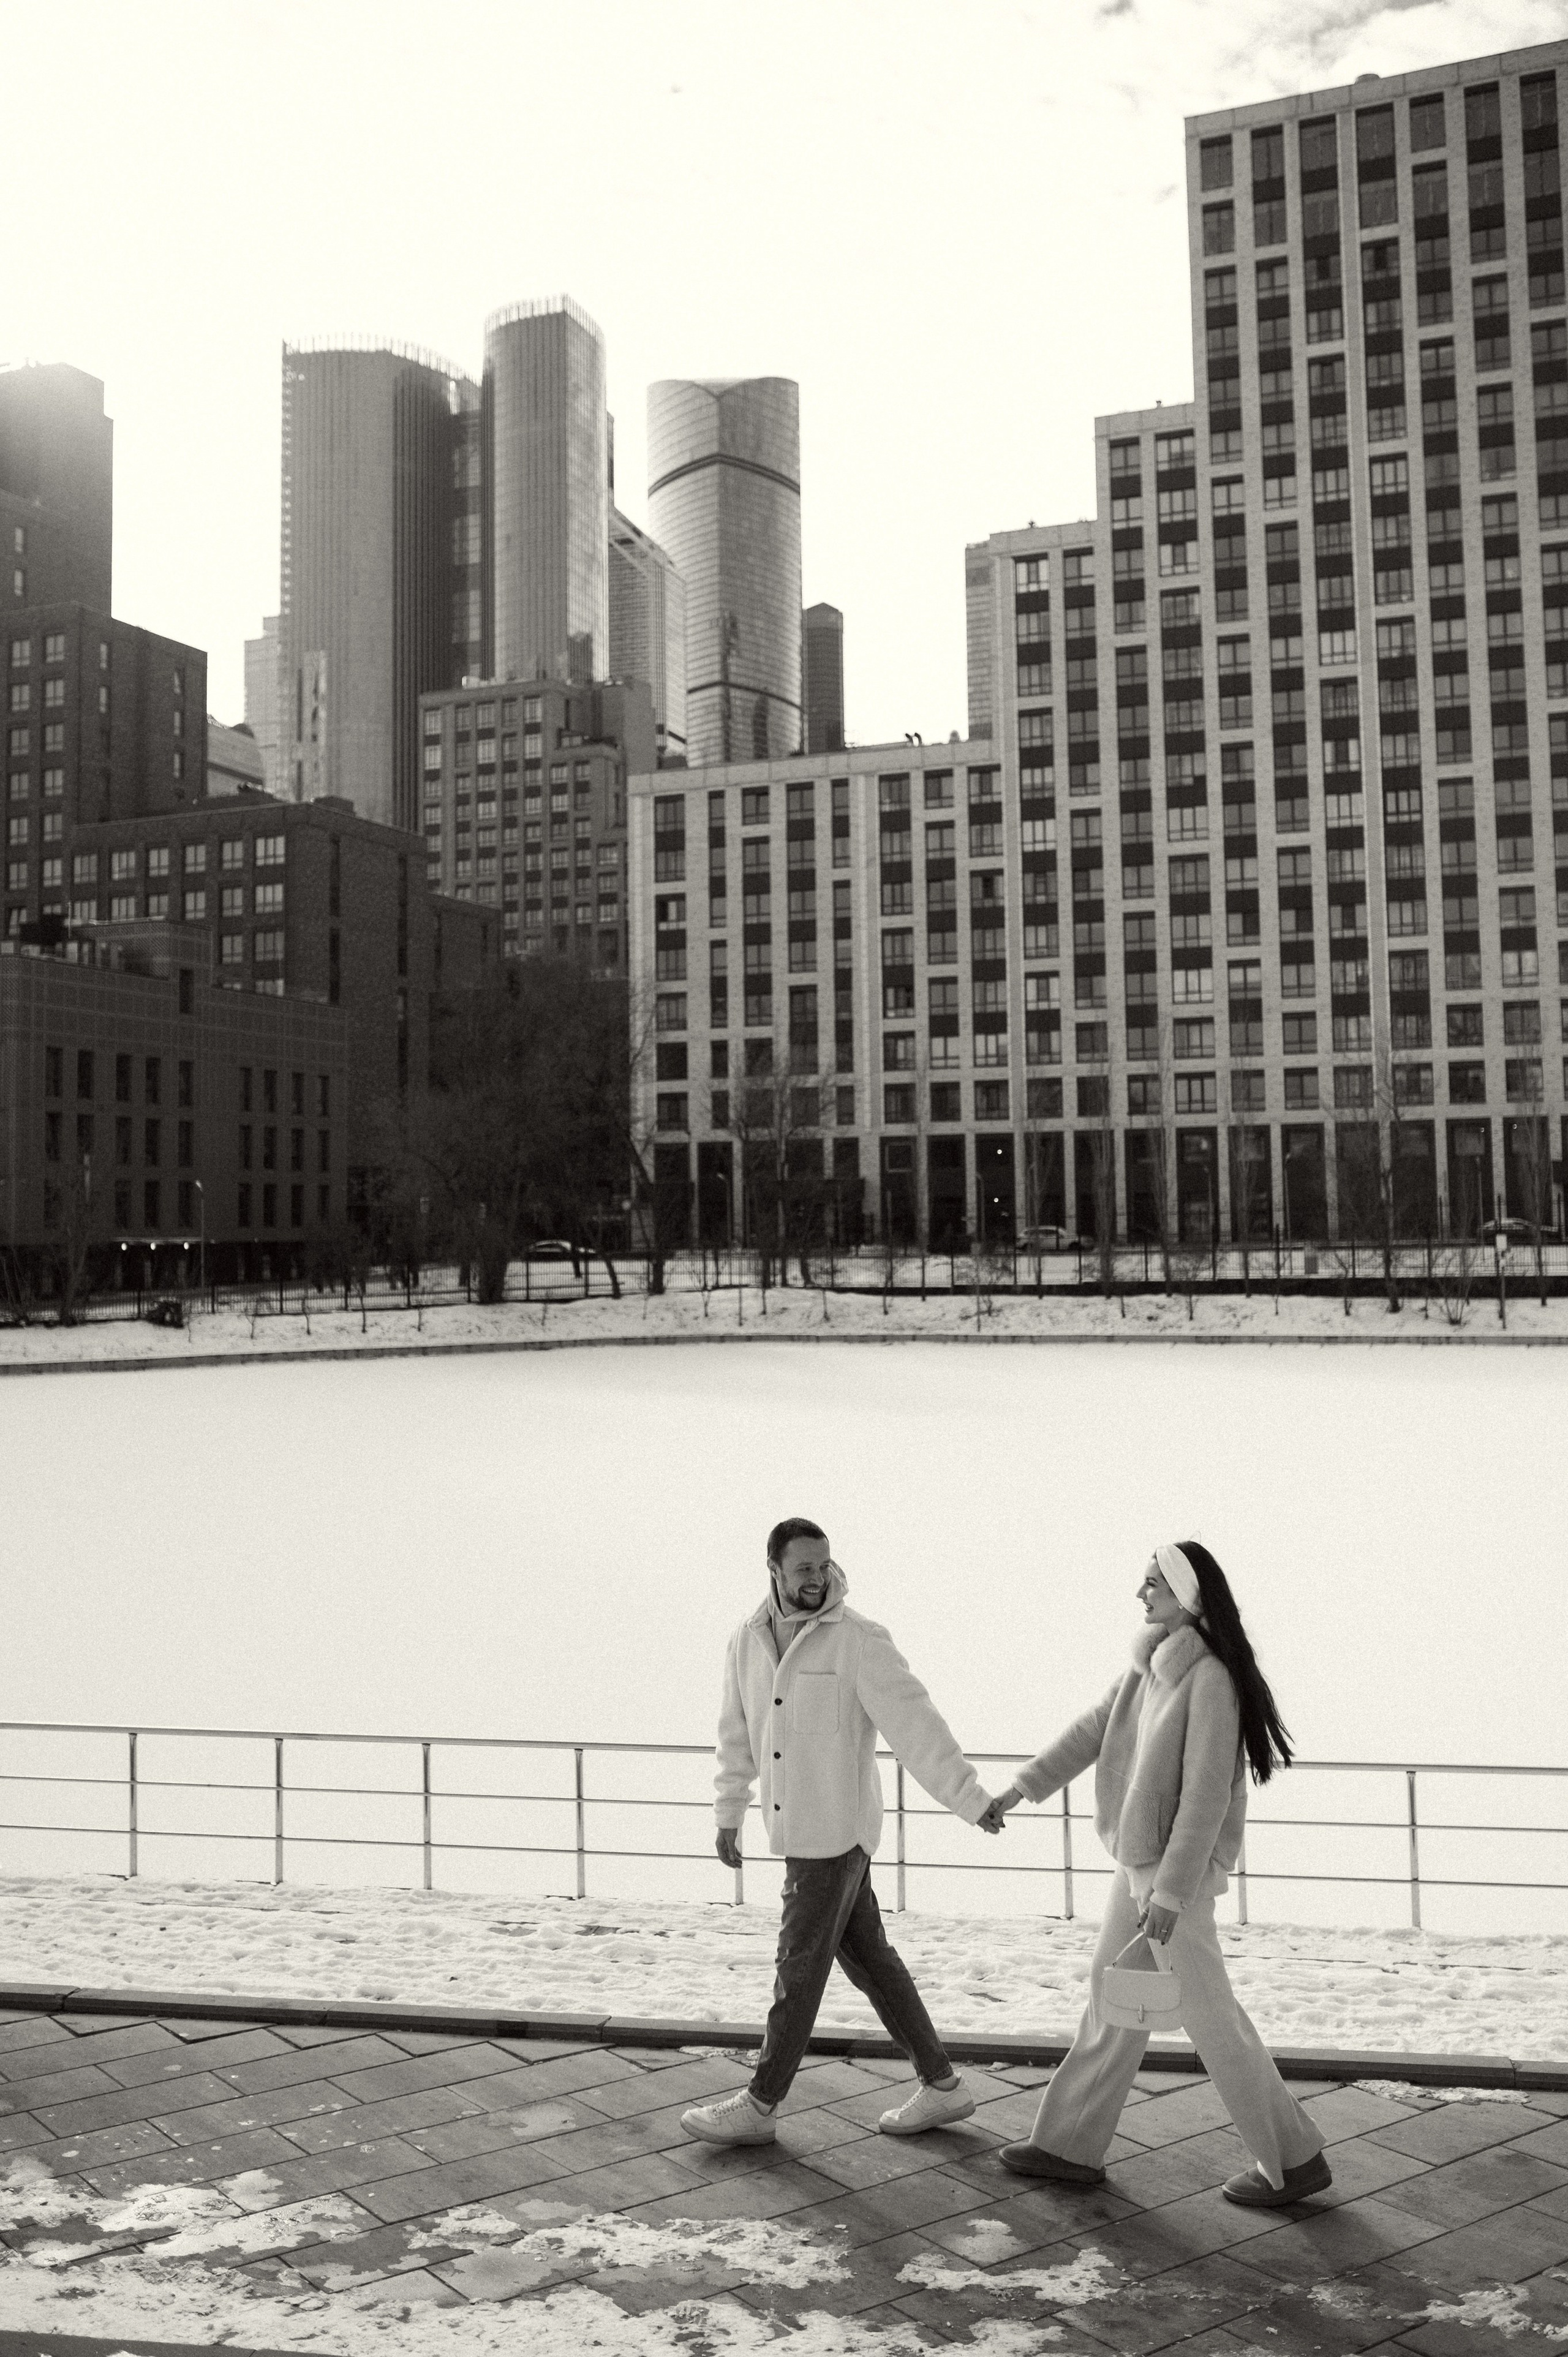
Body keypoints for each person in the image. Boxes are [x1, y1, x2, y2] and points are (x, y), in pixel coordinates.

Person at [979, 1541, 1331, 2209]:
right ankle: (1068, 2145)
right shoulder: (1149, 1666)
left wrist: (1170, 1893)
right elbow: (1090, 1729)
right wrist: (1019, 1789)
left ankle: (1294, 2158)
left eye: (1152, 1585)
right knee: (1112, 1996)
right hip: (1139, 1861)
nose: (1140, 1595)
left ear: (1186, 1595)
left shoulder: (1209, 1679)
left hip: (1174, 1877)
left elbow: (1205, 1797)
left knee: (1211, 2019)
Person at [680, 1515, 999, 2146]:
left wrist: (968, 1796)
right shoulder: (746, 1639)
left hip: (837, 1835)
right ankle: (942, 2085)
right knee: (872, 1962)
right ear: (773, 1570)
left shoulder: (857, 1639)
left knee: (797, 1969)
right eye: (803, 1568)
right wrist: (728, 1810)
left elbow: (916, 1723)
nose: (816, 1578)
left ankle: (761, 2101)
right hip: (794, 1831)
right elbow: (736, 1732)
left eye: (823, 1566)